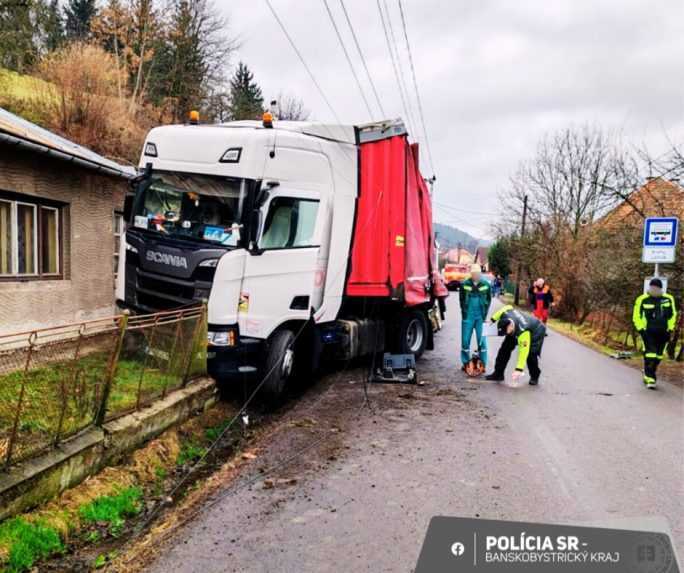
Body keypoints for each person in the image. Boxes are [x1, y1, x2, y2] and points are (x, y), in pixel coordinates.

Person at [632, 278, 678, 389]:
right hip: (648, 332)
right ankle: (650, 378)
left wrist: (670, 329)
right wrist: (641, 330)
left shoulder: (668, 299)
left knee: (658, 356)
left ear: (660, 288)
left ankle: (650, 372)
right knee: (650, 354)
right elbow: (636, 316)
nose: (654, 289)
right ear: (649, 287)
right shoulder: (642, 299)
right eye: (652, 287)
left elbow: (673, 315)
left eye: (656, 287)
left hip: (663, 332)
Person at [485, 305, 546, 385]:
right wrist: (492, 319)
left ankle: (535, 375)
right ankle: (498, 374)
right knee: (504, 349)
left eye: (507, 332)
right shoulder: (505, 315)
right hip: (517, 327)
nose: (506, 334)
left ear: (510, 326)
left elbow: (523, 351)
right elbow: (507, 307)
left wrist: (519, 369)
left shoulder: (523, 332)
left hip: (536, 330)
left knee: (531, 355)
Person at [459, 263, 492, 372]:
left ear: (480, 274)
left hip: (480, 317)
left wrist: (485, 315)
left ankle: (483, 365)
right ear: (471, 274)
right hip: (468, 316)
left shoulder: (486, 285)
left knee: (482, 341)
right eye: (474, 274)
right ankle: (465, 364)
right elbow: (462, 300)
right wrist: (464, 314)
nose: (476, 275)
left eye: (477, 274)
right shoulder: (464, 284)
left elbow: (489, 300)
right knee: (465, 341)